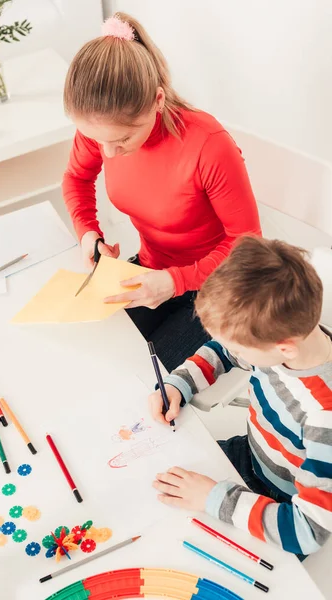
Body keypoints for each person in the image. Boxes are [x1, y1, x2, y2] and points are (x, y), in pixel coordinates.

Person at [62, 12, 261, 372]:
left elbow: (248, 245)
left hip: (220, 289)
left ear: (156, 101)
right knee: (95, 353)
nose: (108, 152)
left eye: (122, 139)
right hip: (154, 272)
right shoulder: (102, 128)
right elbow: (76, 178)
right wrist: (87, 232)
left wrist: (176, 281)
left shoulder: (207, 144)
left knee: (138, 373)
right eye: (96, 140)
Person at [149, 236, 332, 557]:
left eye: (238, 348)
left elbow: (308, 531)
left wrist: (213, 499)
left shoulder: (324, 419)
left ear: (284, 348)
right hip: (251, 455)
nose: (231, 351)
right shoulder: (283, 340)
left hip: (282, 504)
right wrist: (181, 383)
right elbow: (225, 349)